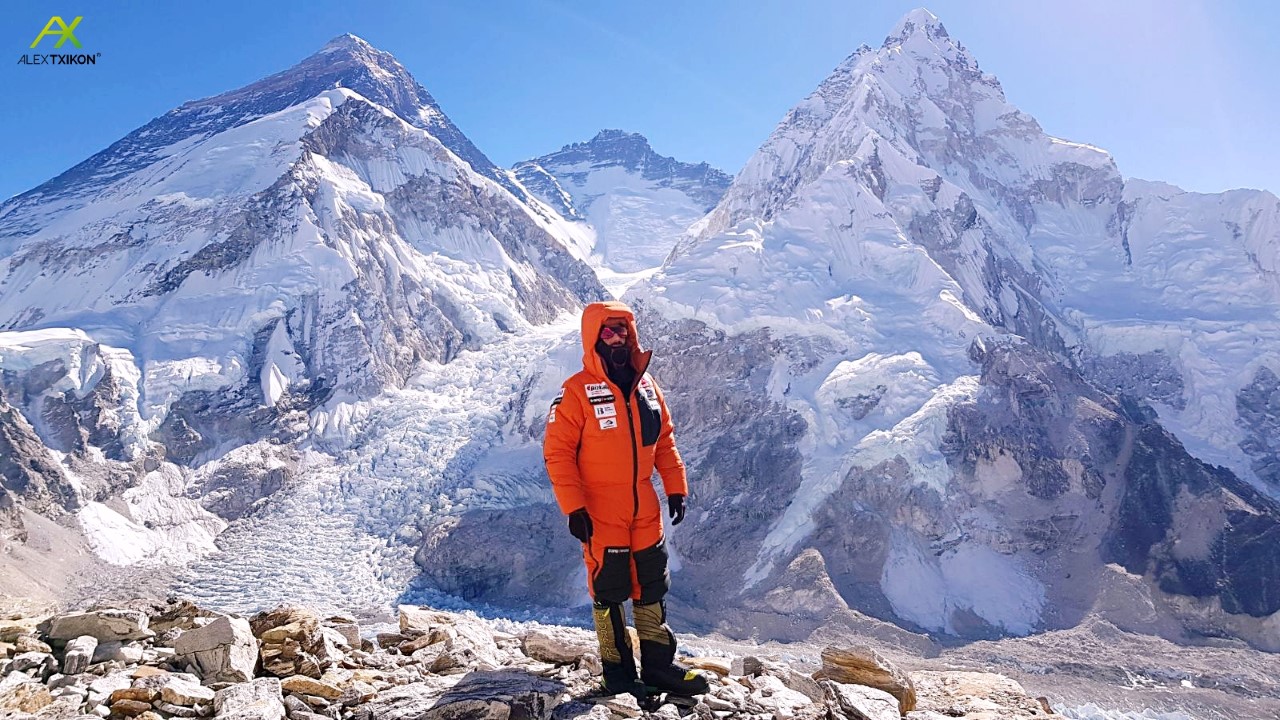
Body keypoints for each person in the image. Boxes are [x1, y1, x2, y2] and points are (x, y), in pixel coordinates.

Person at [543, 300, 709, 699]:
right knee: (609, 587)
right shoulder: (576, 392)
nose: (618, 338)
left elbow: (664, 441)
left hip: (643, 502)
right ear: (593, 337)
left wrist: (675, 486)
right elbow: (558, 453)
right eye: (608, 331)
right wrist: (573, 507)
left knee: (652, 582)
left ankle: (658, 667)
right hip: (601, 508)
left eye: (623, 331)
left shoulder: (648, 388)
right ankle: (617, 673)